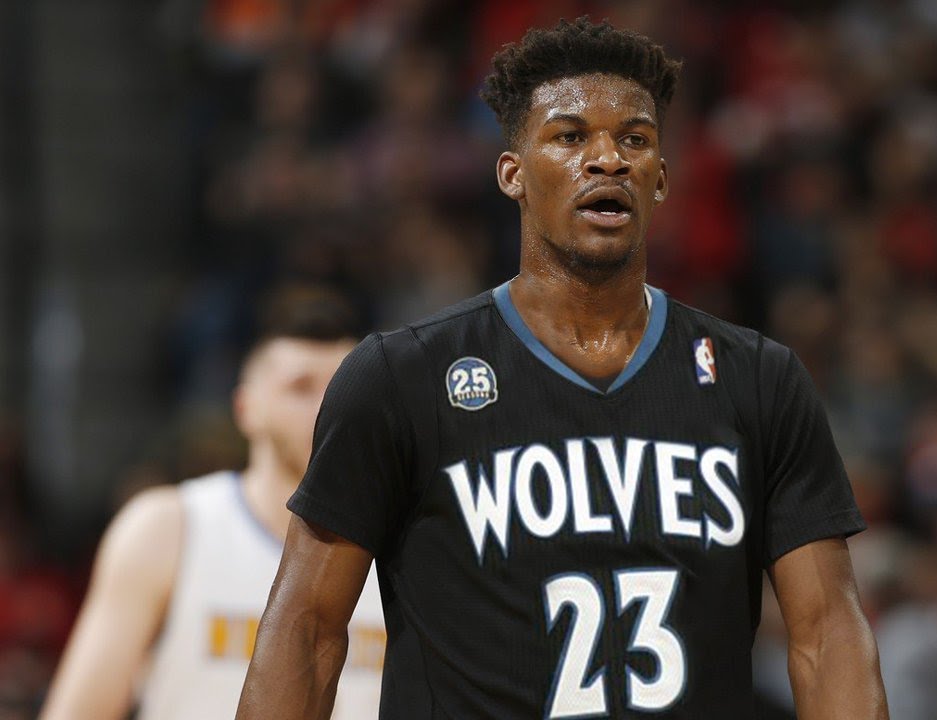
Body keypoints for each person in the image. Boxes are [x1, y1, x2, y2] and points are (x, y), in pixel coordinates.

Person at [238, 18, 888, 719]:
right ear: (512, 174)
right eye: (571, 137)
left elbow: (827, 635)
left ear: (661, 179)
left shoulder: (759, 379)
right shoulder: (402, 377)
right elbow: (307, 630)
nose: (607, 159)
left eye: (634, 140)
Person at [41, 287, 385, 720]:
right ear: (246, 407)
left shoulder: (405, 545)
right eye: (301, 388)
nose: (325, 409)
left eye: (342, 390)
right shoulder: (168, 528)